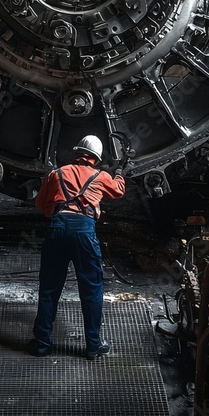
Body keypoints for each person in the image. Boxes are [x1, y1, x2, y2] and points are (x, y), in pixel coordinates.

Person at [29, 134, 126, 360]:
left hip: (58, 227)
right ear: (96, 158)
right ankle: (93, 346)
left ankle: (42, 343)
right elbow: (118, 191)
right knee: (91, 289)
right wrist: (120, 174)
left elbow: (40, 205)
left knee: (49, 288)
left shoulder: (56, 174)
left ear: (77, 153)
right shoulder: (101, 176)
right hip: (84, 231)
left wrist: (58, 215)